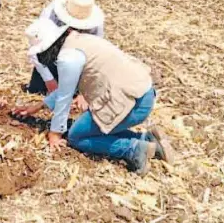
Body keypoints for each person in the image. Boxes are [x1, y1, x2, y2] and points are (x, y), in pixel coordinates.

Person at [13, 18, 174, 177]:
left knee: (76, 136)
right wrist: (39, 106)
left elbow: (65, 97)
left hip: (132, 102)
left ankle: (134, 150)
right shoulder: (79, 41)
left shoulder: (68, 57)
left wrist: (55, 133)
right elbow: (68, 87)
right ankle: (148, 140)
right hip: (143, 92)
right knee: (88, 128)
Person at [25, 0, 104, 100]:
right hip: (49, 57)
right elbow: (35, 50)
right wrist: (49, 80)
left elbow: (94, 57)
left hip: (75, 63)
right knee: (37, 91)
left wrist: (83, 92)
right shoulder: (49, 16)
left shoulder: (96, 27)